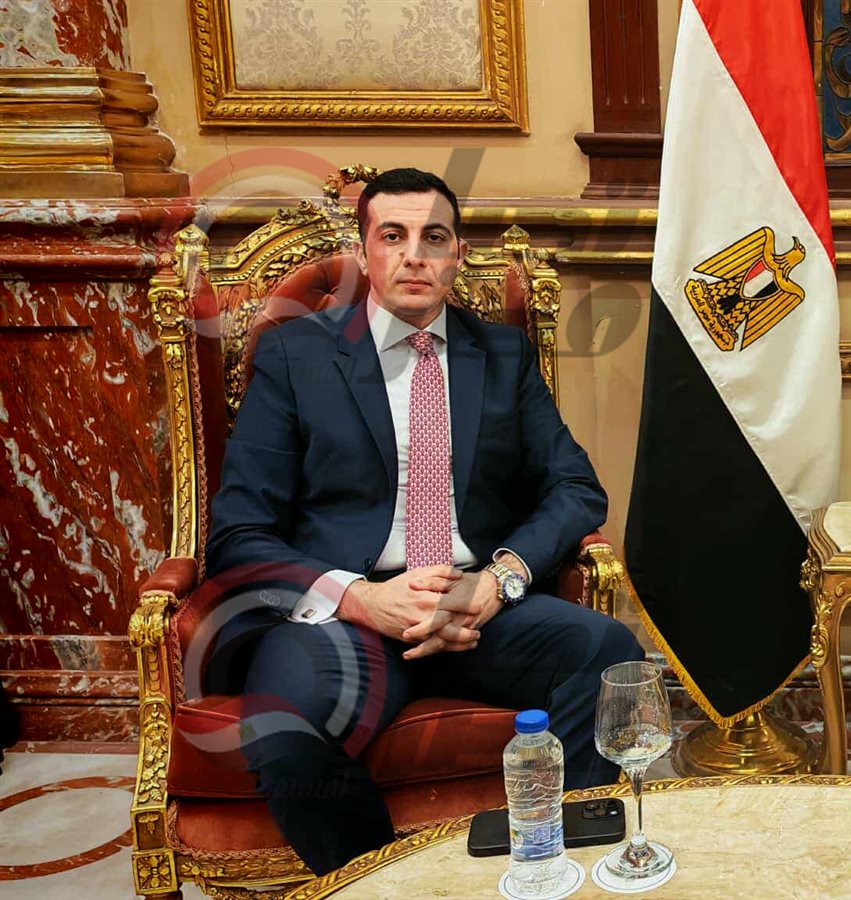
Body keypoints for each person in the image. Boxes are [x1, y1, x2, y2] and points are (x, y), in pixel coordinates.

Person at [204, 168, 644, 874]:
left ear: (457, 255)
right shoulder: (296, 355)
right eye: (393, 236)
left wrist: (497, 582)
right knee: (285, 730)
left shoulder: (501, 355)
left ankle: (549, 866)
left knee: (608, 651)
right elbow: (238, 533)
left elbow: (574, 487)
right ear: (364, 252)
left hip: (479, 607)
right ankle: (388, 884)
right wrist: (361, 598)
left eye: (434, 237)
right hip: (348, 620)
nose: (414, 255)